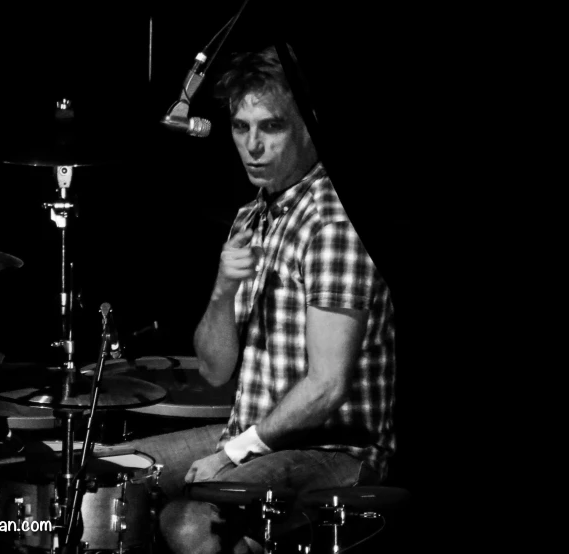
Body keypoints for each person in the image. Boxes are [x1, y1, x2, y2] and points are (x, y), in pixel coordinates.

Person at [118, 44, 396, 553]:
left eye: (271, 127)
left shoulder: (334, 222)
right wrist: (223, 292)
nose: (253, 147)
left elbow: (326, 386)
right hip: (249, 433)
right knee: (113, 473)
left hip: (333, 450)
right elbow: (215, 371)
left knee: (190, 521)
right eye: (241, 128)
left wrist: (235, 453)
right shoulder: (252, 216)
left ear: (310, 127)